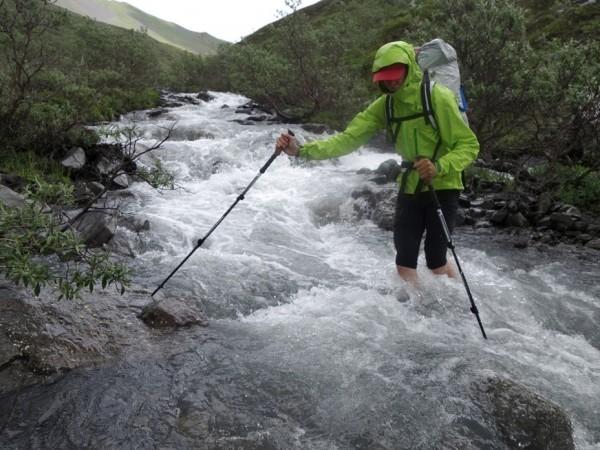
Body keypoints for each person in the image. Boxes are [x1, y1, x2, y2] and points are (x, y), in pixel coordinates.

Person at [276, 41, 479, 285]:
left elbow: (469, 145)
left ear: (409, 69)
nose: (391, 83)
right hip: (409, 184)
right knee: (404, 260)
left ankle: (455, 306)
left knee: (436, 260)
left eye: (396, 76)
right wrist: (301, 151)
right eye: (386, 79)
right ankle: (415, 315)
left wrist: (439, 167)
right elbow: (348, 139)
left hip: (444, 185)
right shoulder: (385, 105)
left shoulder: (438, 97)